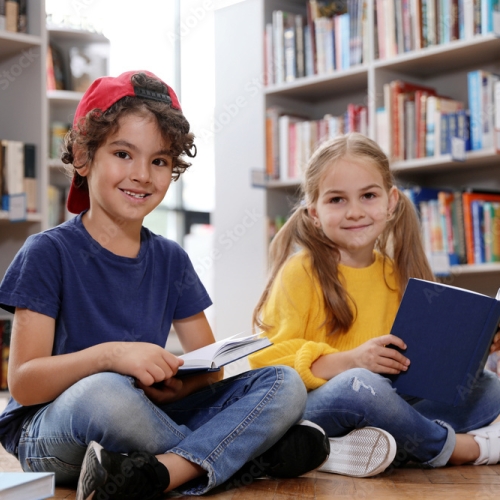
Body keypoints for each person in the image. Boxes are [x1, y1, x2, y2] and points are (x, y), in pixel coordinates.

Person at [0, 71, 330, 499]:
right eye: (123, 153)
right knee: (107, 392)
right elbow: (25, 383)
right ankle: (247, 456)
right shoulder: (47, 252)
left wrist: (180, 383)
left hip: (147, 418)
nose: (142, 175)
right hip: (53, 432)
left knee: (283, 382)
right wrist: (111, 357)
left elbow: (209, 372)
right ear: (83, 156)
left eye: (159, 161)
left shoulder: (171, 258)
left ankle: (162, 472)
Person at [249, 132, 500, 477]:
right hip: (324, 403)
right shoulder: (301, 270)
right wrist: (352, 360)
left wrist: (472, 349)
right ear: (314, 213)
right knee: (361, 387)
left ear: (391, 201)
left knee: (489, 387)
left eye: (368, 195)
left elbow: (417, 367)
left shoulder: (397, 274)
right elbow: (265, 362)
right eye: (336, 200)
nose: (355, 212)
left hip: (387, 402)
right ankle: (454, 449)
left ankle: (352, 448)